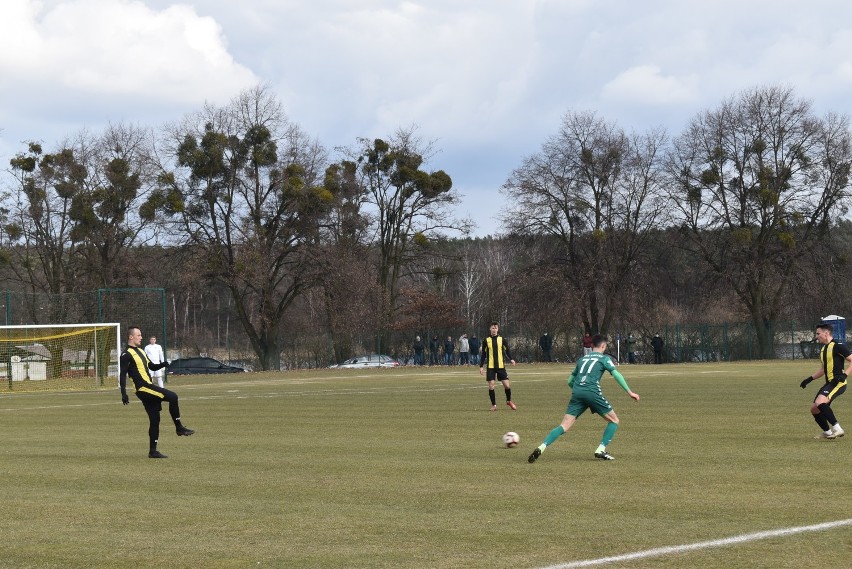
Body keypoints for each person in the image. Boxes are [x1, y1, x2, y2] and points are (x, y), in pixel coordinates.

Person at [528, 334, 640, 463]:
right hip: (592, 392)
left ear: (592, 346)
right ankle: (600, 449)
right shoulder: (604, 359)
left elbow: (570, 381)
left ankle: (541, 447)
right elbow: (616, 374)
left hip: (577, 392)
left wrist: (580, 392)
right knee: (614, 421)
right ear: (603, 346)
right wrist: (630, 392)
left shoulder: (582, 359)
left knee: (564, 425)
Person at [120, 326, 195, 458]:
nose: (141, 337)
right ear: (131, 337)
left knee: (155, 420)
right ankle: (179, 428)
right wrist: (123, 393)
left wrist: (163, 364)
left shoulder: (142, 352)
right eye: (138, 335)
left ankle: (153, 451)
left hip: (148, 386)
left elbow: (151, 366)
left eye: (141, 335)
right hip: (143, 388)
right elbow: (122, 375)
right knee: (173, 396)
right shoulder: (126, 354)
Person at [800, 323, 849, 439]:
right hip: (829, 383)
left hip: (838, 383)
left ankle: (838, 429)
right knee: (814, 409)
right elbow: (823, 369)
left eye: (818, 333)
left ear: (826, 333)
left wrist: (844, 375)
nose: (817, 336)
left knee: (820, 402)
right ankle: (828, 433)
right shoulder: (823, 350)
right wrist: (809, 379)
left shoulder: (838, 346)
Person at [479, 321, 517, 410]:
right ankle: (494, 405)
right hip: (491, 367)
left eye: (496, 328)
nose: (494, 329)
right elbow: (483, 354)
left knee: (507, 386)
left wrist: (511, 359)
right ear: (490, 329)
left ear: (498, 329)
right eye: (493, 328)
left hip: (500, 366)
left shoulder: (502, 340)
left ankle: (509, 401)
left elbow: (507, 350)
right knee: (491, 385)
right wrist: (481, 366)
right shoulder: (486, 340)